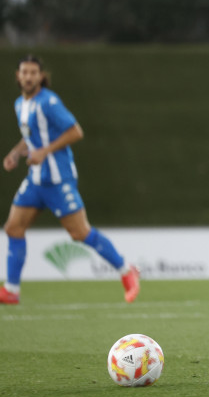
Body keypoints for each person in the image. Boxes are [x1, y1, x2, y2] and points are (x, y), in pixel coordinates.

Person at [1, 55, 140, 305]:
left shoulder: (49, 101)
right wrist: (16, 153)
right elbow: (31, 136)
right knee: (13, 228)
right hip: (35, 180)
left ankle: (126, 271)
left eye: (34, 72)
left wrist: (45, 151)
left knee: (79, 233)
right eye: (25, 72)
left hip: (58, 179)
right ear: (18, 76)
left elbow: (76, 131)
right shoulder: (20, 104)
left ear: (41, 77)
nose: (29, 76)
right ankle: (11, 290)